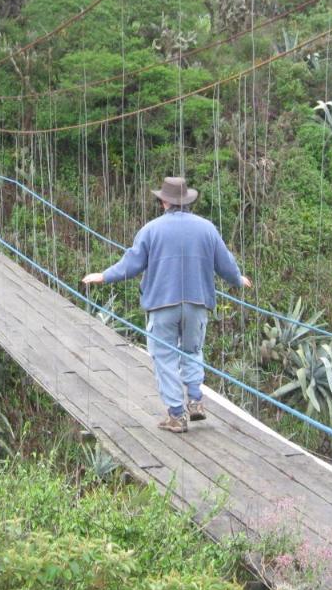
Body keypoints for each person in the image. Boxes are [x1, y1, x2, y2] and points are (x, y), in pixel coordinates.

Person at [82, 177, 252, 434]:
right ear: (187, 201)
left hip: (163, 304)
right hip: (197, 302)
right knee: (193, 350)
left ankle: (176, 415)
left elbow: (132, 264)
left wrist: (104, 276)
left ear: (164, 201)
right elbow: (225, 264)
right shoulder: (207, 228)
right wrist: (238, 280)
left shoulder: (151, 230)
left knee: (164, 357)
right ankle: (195, 400)